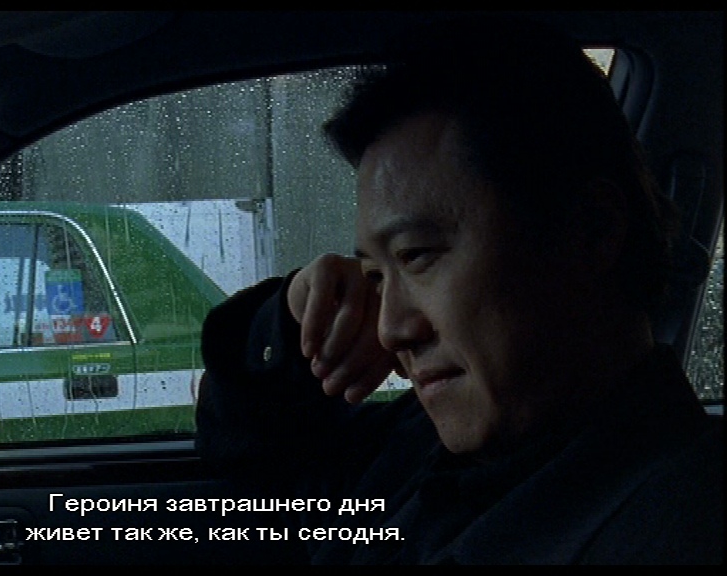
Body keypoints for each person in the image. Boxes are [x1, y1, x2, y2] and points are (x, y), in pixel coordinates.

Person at [194, 16, 723, 565]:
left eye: (417, 255)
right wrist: (289, 321)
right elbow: (250, 480)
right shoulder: (425, 442)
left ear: (592, 230)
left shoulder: (681, 527)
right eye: (375, 276)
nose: (391, 328)